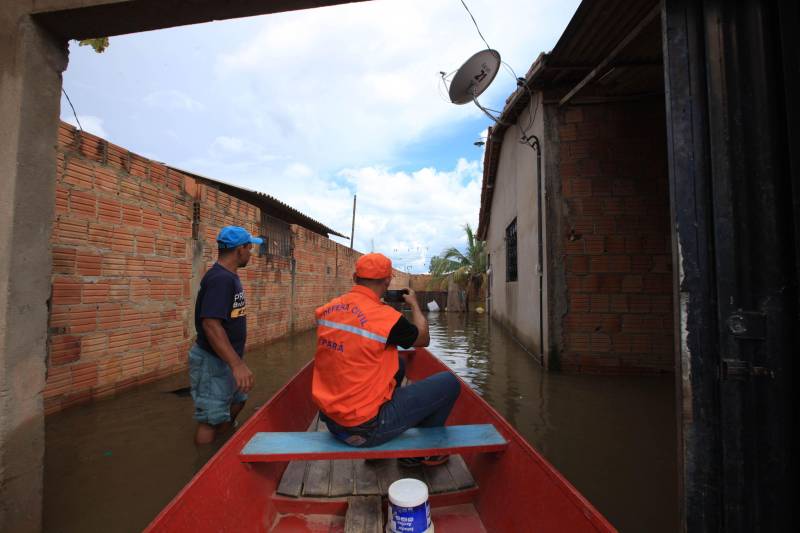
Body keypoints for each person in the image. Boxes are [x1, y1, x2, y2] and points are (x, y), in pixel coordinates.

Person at [312, 253, 461, 467]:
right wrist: (414, 304)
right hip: (365, 429)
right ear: (388, 281)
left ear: (355, 278)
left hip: (331, 420)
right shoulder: (387, 318)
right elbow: (423, 339)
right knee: (449, 383)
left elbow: (352, 335)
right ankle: (419, 454)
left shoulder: (328, 309)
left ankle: (379, 449)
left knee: (398, 364)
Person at [189, 225, 262, 445]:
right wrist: (236, 365)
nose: (251, 253)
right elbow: (211, 324)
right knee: (210, 419)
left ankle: (223, 443)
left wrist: (236, 361)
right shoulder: (220, 279)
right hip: (213, 360)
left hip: (227, 359)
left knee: (238, 401)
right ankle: (204, 465)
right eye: (249, 248)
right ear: (239, 250)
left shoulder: (229, 277)